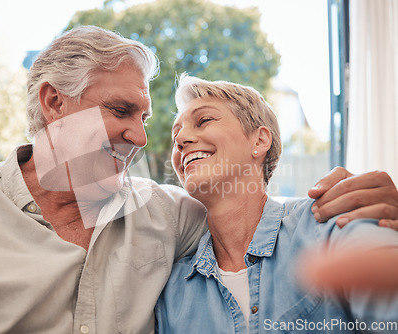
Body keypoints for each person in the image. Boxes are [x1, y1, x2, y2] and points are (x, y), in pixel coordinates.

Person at [0, 26, 396, 334]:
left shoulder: (169, 214)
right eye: (120, 110)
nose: (141, 136)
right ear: (53, 103)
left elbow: (252, 213)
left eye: (148, 118)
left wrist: (368, 202)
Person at [155, 74, 398, 333]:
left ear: (259, 141)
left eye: (204, 120)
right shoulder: (173, 293)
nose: (181, 140)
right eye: (176, 135)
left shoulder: (331, 222)